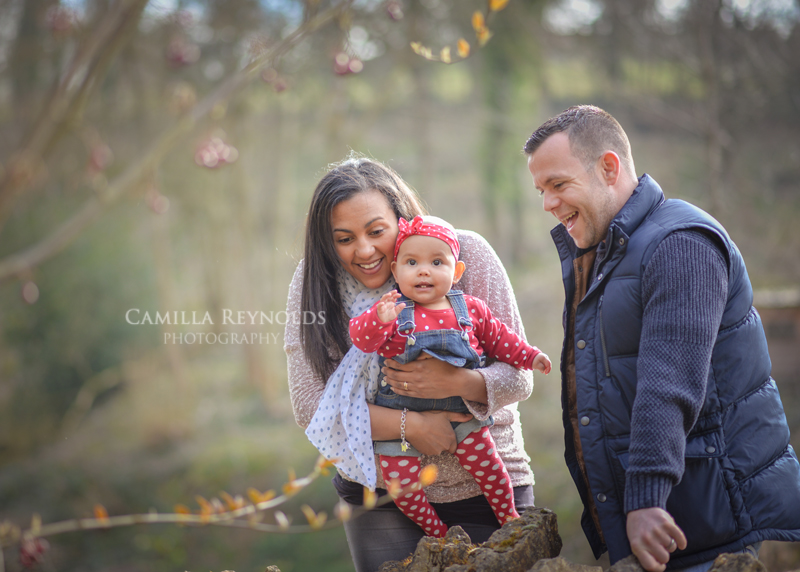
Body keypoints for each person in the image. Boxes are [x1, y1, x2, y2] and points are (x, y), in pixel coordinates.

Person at [523, 105, 800, 572]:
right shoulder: (607, 254)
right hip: (662, 526)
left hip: (703, 526)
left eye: (558, 184)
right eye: (541, 191)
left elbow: (669, 382)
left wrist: (647, 497)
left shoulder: (680, 243)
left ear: (608, 168)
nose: (548, 203)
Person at [284, 155, 537, 572]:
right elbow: (310, 405)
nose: (364, 250)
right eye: (344, 238)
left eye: (376, 231)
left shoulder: (465, 253)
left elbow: (519, 377)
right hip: (381, 493)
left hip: (487, 486)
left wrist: (455, 382)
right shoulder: (314, 282)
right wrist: (413, 426)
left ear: (401, 221)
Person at [348, 214, 551, 537]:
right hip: (401, 415)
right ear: (396, 270)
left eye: (437, 262)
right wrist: (378, 320)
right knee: (400, 484)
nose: (423, 270)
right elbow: (362, 339)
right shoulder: (393, 311)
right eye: (412, 262)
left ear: (456, 272)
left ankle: (508, 514)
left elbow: (502, 340)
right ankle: (438, 533)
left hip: (460, 411)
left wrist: (530, 356)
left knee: (489, 466)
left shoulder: (470, 309)